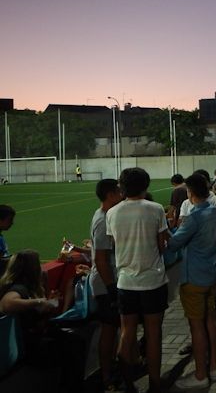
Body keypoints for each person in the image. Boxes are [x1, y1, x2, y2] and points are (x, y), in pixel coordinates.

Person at [106, 167, 169, 393]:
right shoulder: (155, 209)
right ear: (146, 185)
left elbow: (114, 245)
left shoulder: (111, 213)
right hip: (153, 280)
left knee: (127, 332)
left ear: (122, 187)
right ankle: (154, 383)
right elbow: (162, 245)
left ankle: (128, 384)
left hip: (126, 281)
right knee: (153, 333)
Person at [0, 250, 86, 393]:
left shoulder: (30, 288)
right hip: (28, 346)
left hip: (33, 341)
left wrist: (51, 302)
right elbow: (6, 304)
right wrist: (39, 301)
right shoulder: (19, 288)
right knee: (73, 347)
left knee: (75, 343)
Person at [167, 173, 216, 389]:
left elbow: (173, 244)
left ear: (190, 192)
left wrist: (164, 230)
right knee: (210, 320)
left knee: (196, 325)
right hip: (211, 273)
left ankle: (200, 375)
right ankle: (213, 368)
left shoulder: (195, 216)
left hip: (195, 278)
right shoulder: (213, 211)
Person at [88, 179, 123, 392]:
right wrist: (111, 288)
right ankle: (106, 376)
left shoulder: (107, 216)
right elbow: (101, 259)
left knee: (115, 329)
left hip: (109, 280)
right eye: (119, 192)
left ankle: (112, 369)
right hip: (104, 283)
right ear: (110, 195)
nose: (122, 195)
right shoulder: (102, 220)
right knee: (108, 331)